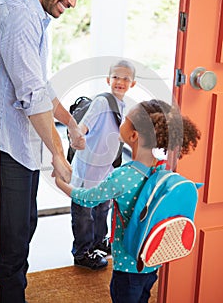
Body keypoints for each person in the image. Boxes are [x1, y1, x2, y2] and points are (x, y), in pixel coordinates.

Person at [0, 0, 88, 302]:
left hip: (22, 147)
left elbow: (42, 86)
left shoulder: (36, 18)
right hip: (9, 148)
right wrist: (57, 154)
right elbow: (32, 94)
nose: (73, 2)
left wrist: (71, 122)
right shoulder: (19, 14)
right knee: (13, 245)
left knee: (25, 228)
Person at [55, 99, 201, 303]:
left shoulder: (123, 176)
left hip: (127, 265)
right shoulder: (160, 170)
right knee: (143, 297)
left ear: (133, 135)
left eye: (125, 120)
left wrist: (61, 183)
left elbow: (88, 199)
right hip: (151, 261)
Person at [70, 59, 136, 270]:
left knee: (102, 208)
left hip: (105, 169)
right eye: (116, 77)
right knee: (84, 213)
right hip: (87, 169)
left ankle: (99, 242)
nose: (120, 82)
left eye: (126, 78)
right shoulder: (102, 102)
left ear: (132, 84)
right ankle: (82, 252)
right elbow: (85, 124)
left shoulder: (123, 105)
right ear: (108, 80)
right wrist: (78, 135)